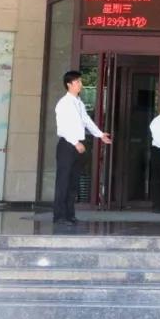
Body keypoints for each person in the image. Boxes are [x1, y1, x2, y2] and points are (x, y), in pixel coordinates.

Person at [53, 70, 111, 224]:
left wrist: (100, 135)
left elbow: (87, 121)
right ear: (69, 84)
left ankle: (69, 215)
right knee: (63, 181)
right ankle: (59, 216)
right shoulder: (64, 103)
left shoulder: (79, 102)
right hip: (67, 145)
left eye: (80, 81)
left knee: (73, 182)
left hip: (77, 145)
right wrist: (75, 142)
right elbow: (62, 128)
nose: (81, 84)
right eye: (77, 82)